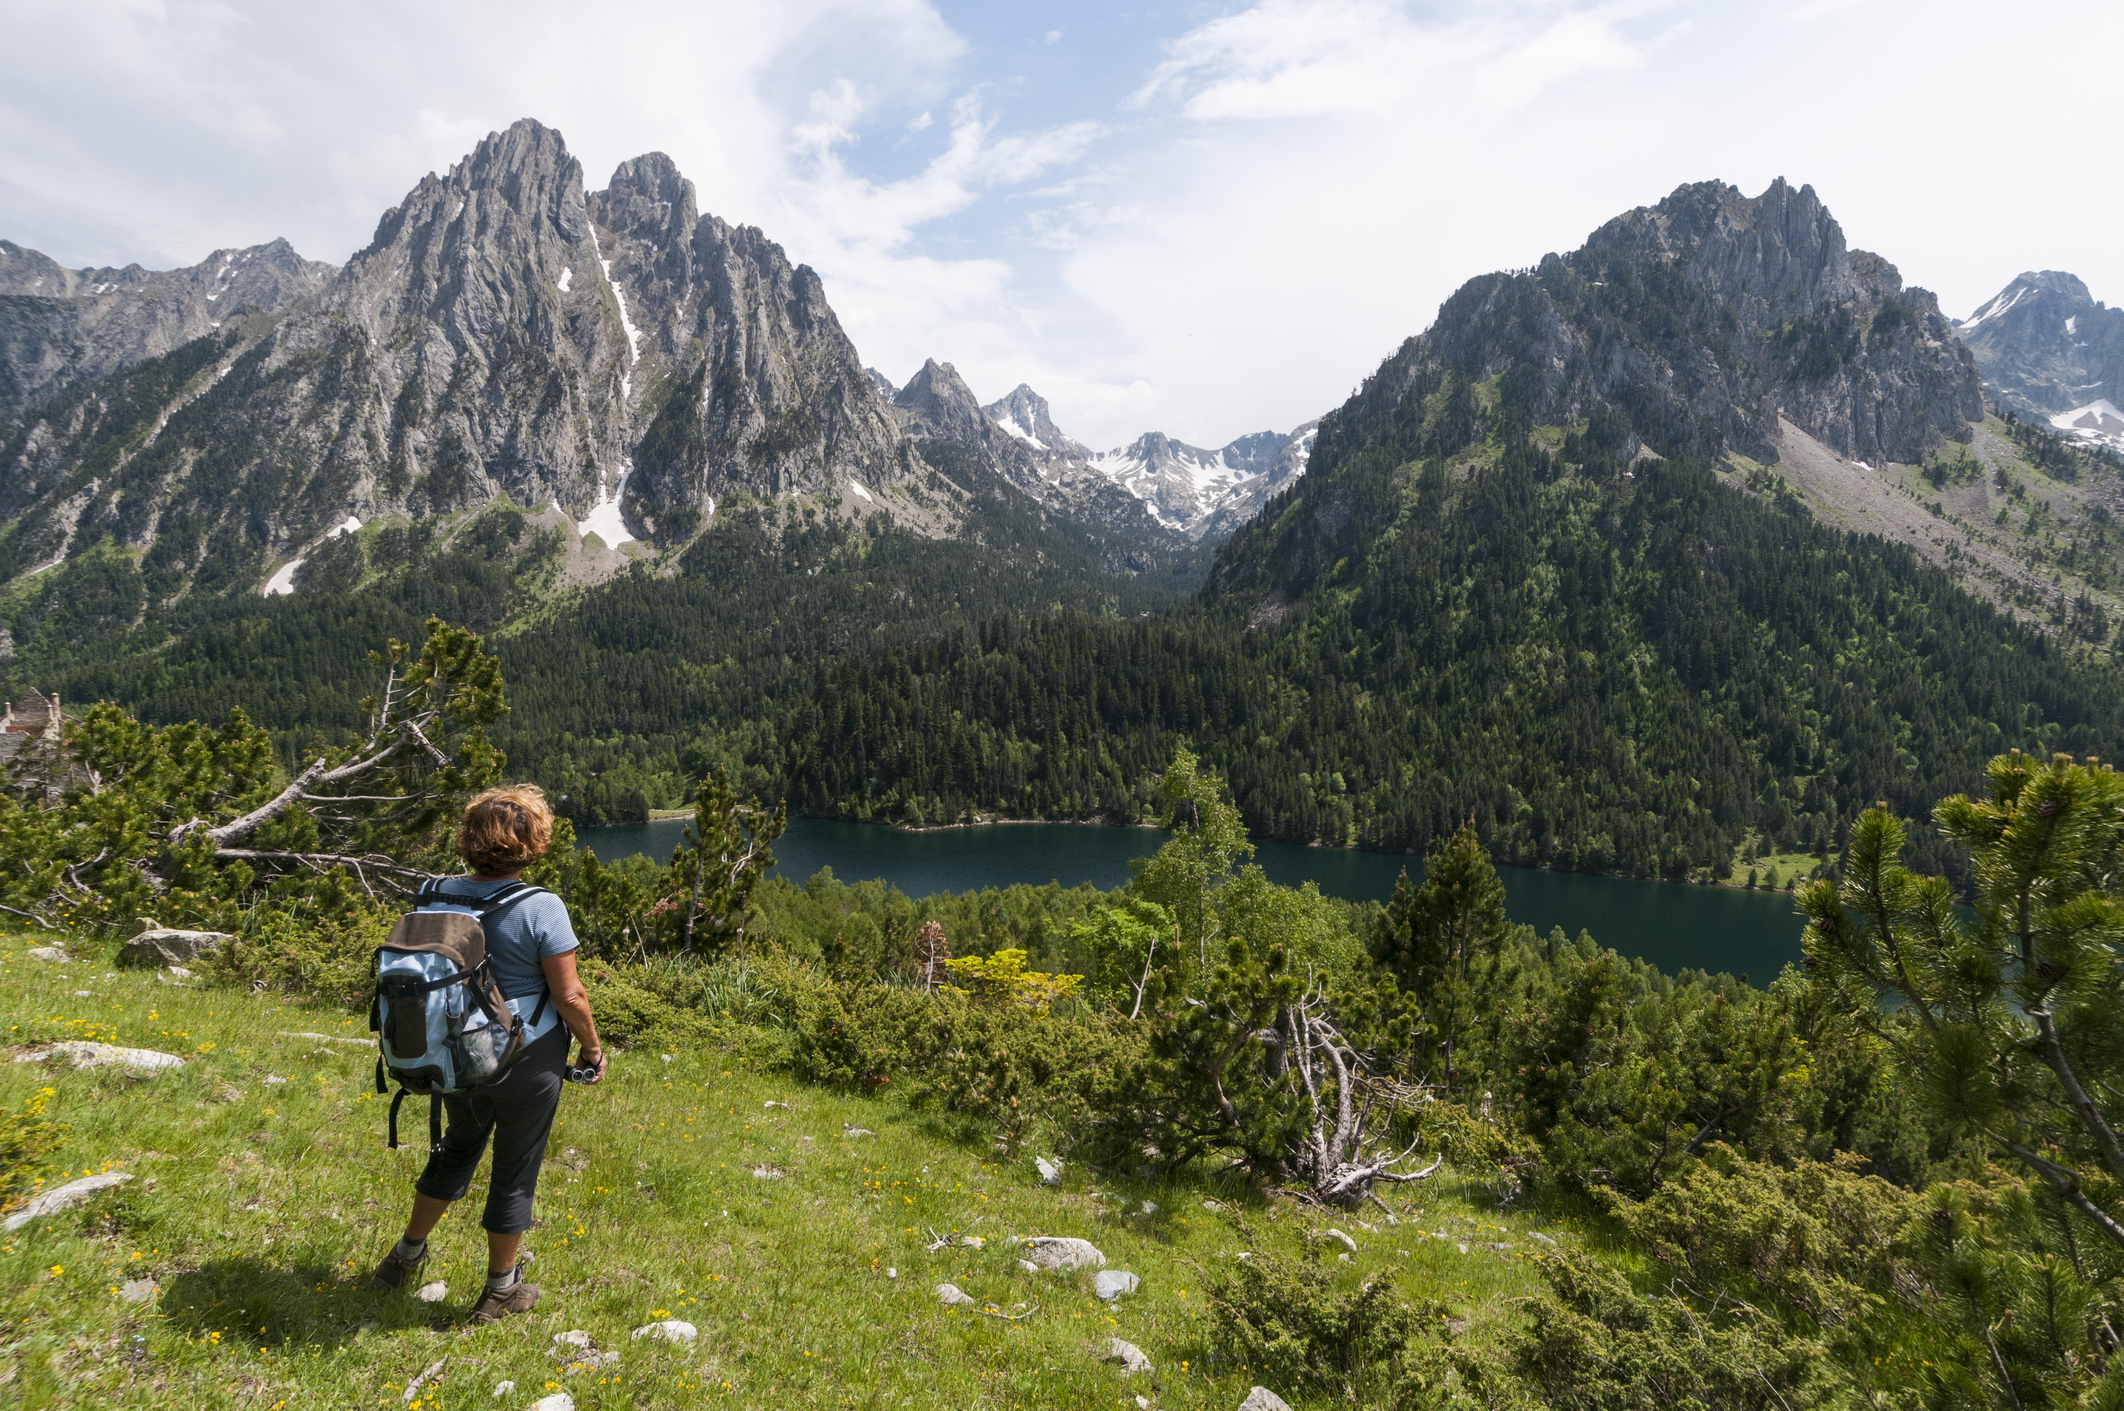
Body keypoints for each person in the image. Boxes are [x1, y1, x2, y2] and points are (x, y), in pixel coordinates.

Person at [370, 785, 606, 1323]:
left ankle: (403, 1257)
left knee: (457, 1147)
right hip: (525, 1057)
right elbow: (569, 995)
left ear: (469, 839)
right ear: (532, 843)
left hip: (452, 1054)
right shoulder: (541, 906)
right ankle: (501, 1289)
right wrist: (591, 1048)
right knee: (516, 1168)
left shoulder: (433, 893)